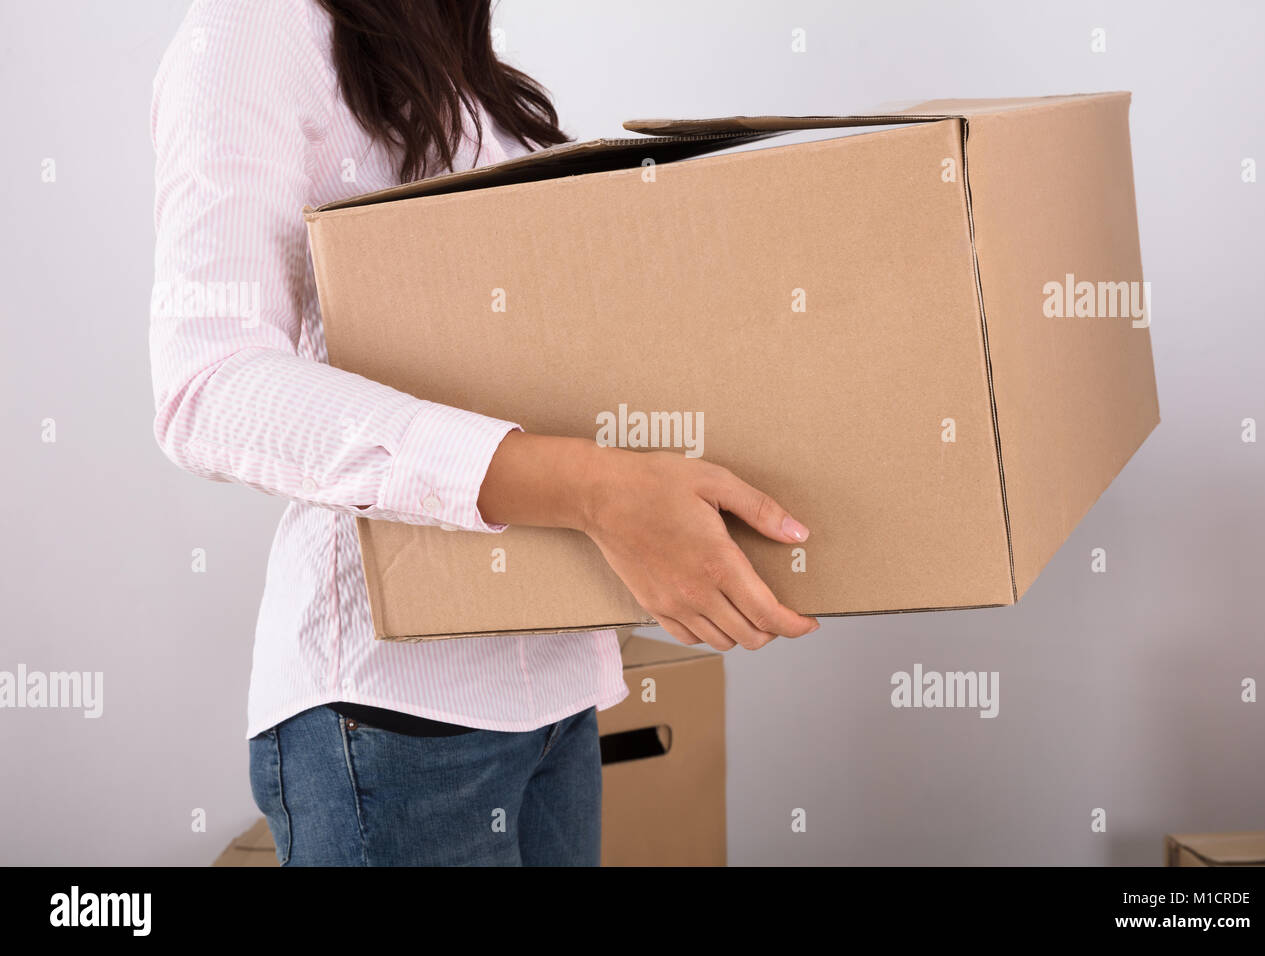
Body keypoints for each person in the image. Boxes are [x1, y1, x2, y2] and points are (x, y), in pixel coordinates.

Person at [150, 0, 819, 867]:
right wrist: (597, 491)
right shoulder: (253, 29)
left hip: (553, 689)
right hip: (391, 716)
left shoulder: (463, 63)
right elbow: (208, 387)